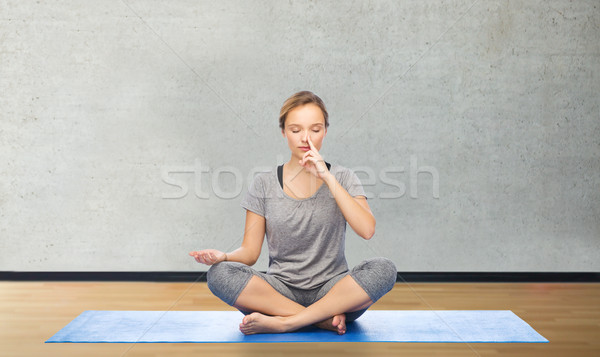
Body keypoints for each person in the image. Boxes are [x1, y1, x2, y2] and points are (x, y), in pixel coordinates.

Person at [189, 91, 396, 335]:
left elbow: (367, 230)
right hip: (278, 291)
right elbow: (250, 253)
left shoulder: (343, 177)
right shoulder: (264, 183)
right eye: (296, 130)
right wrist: (223, 256)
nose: (305, 138)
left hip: (334, 291)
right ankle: (320, 320)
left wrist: (327, 177)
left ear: (325, 132)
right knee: (219, 274)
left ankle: (287, 322)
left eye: (315, 129)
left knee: (384, 268)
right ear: (284, 132)